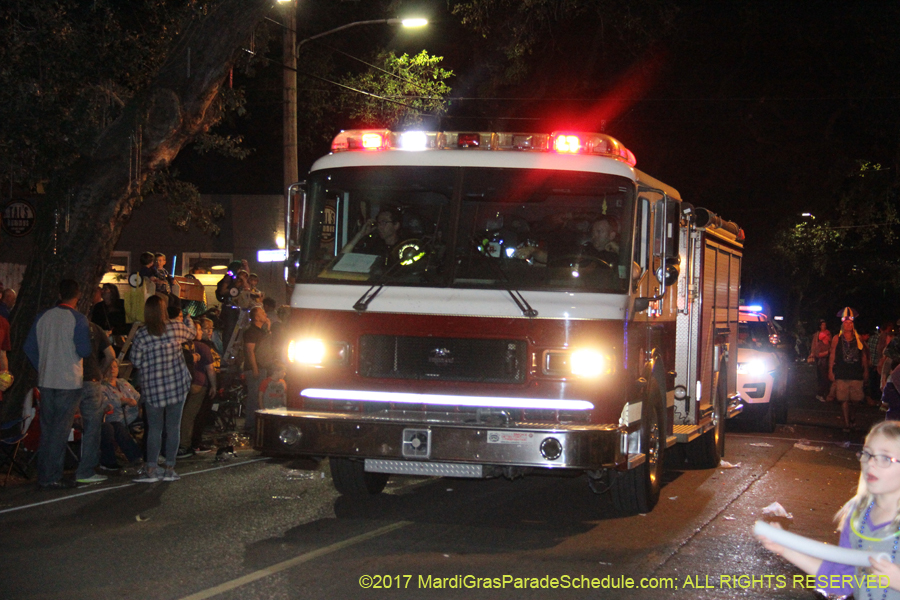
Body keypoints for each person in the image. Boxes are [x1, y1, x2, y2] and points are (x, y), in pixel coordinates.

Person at [757, 420, 900, 598]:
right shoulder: (858, 515)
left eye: (885, 458)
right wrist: (785, 549)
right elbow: (841, 581)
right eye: (868, 454)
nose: (871, 464)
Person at [24, 279, 93, 490]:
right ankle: (52, 476)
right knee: (60, 431)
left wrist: (42, 365)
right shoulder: (78, 319)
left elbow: (29, 347)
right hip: (68, 381)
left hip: (46, 380)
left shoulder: (42, 317)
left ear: (59, 294)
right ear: (77, 296)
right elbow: (84, 351)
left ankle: (44, 473)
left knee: (47, 429)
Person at [129, 295, 196, 483]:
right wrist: (187, 318)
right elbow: (192, 334)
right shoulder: (175, 328)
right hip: (176, 385)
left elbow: (135, 361)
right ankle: (169, 468)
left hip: (153, 389)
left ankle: (151, 468)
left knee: (155, 429)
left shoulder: (142, 334)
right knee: (173, 427)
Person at [74, 321, 116, 484]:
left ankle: (52, 472)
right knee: (92, 426)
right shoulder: (94, 328)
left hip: (68, 380)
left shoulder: (61, 324)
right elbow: (111, 355)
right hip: (91, 379)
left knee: (60, 425)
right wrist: (100, 371)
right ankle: (85, 470)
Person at [179, 319, 216, 456]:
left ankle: (183, 443)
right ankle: (186, 444)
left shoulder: (182, 346)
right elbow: (210, 369)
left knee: (183, 414)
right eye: (199, 329)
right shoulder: (202, 347)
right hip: (198, 383)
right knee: (191, 416)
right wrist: (214, 385)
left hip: (183, 383)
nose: (201, 332)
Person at [829, 307, 870, 431]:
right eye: (846, 323)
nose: (848, 325)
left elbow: (863, 355)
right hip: (842, 372)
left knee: (856, 399)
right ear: (842, 324)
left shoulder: (858, 338)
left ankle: (853, 416)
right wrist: (830, 370)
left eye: (850, 323)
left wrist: (866, 370)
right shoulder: (837, 338)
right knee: (843, 399)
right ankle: (847, 423)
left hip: (856, 372)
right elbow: (832, 354)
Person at [98, 360, 143, 472]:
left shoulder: (123, 382)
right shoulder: (101, 387)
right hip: (116, 418)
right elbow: (104, 404)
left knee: (152, 416)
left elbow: (137, 396)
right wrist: (123, 401)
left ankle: (156, 453)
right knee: (116, 427)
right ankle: (137, 458)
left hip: (133, 415)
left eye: (115, 366)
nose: (113, 369)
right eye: (109, 367)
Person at [242, 306, 270, 434]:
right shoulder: (251, 332)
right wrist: (254, 368)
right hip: (255, 368)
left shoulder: (261, 331)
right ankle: (250, 424)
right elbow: (250, 350)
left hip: (262, 366)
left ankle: (258, 423)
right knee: (254, 396)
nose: (265, 314)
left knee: (260, 396)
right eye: (262, 313)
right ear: (257, 317)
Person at [808, 319, 832, 402]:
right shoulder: (817, 335)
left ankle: (825, 393)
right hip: (821, 358)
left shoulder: (828, 333)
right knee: (822, 377)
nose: (824, 326)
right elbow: (814, 346)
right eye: (822, 325)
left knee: (827, 377)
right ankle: (820, 393)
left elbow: (830, 343)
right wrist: (813, 354)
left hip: (827, 357)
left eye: (825, 325)